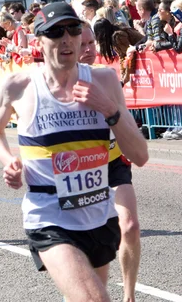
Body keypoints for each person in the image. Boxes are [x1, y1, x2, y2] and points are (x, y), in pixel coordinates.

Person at [0, 2, 148, 301]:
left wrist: (108, 108)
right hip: (49, 216)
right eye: (54, 32)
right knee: (94, 298)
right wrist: (9, 160)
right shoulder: (19, 86)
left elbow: (140, 155)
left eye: (72, 29)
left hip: (98, 213)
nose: (66, 39)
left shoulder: (104, 81)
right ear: (38, 41)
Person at [79, 28, 142, 302]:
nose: (89, 48)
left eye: (92, 42)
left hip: (114, 161)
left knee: (129, 226)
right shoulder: (55, 85)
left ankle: (129, 296)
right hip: (79, 170)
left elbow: (124, 117)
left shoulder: (107, 76)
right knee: (86, 239)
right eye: (82, 44)